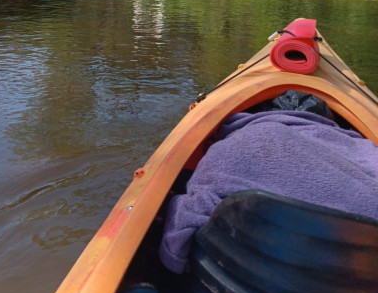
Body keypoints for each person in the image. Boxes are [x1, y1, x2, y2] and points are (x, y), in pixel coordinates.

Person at [159, 91, 378, 274]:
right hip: (358, 291)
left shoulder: (239, 142)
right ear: (329, 122)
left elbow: (177, 245)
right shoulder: (367, 151)